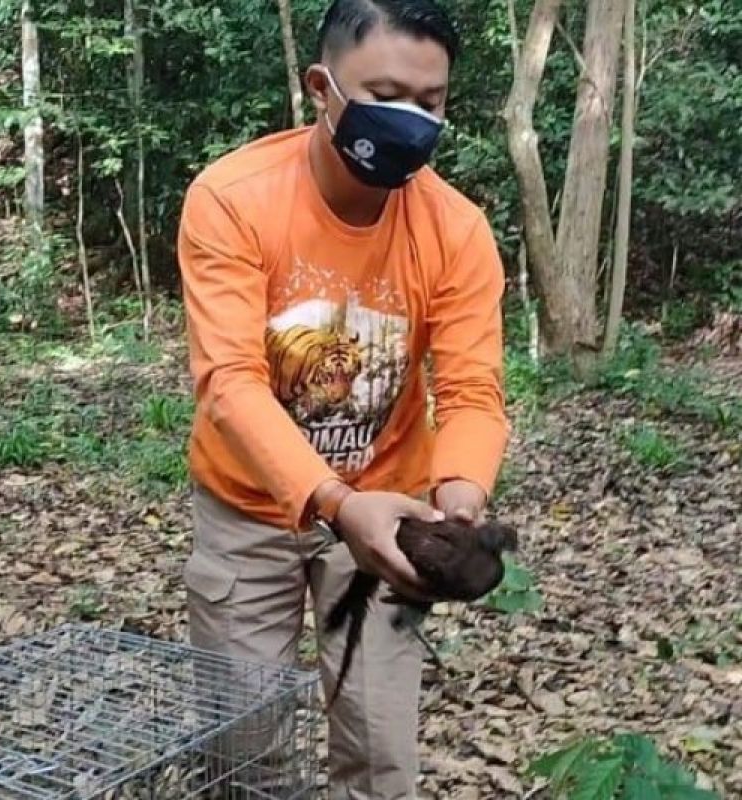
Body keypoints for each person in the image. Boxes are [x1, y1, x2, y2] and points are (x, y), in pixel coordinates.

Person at [175, 0, 510, 797]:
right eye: (387, 93)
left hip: (389, 503)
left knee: (380, 751)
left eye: (429, 103)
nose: (411, 120)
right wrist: (331, 501)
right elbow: (230, 379)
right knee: (243, 749)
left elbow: (469, 389)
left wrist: (459, 505)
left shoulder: (456, 229)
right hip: (247, 509)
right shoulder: (233, 198)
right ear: (321, 87)